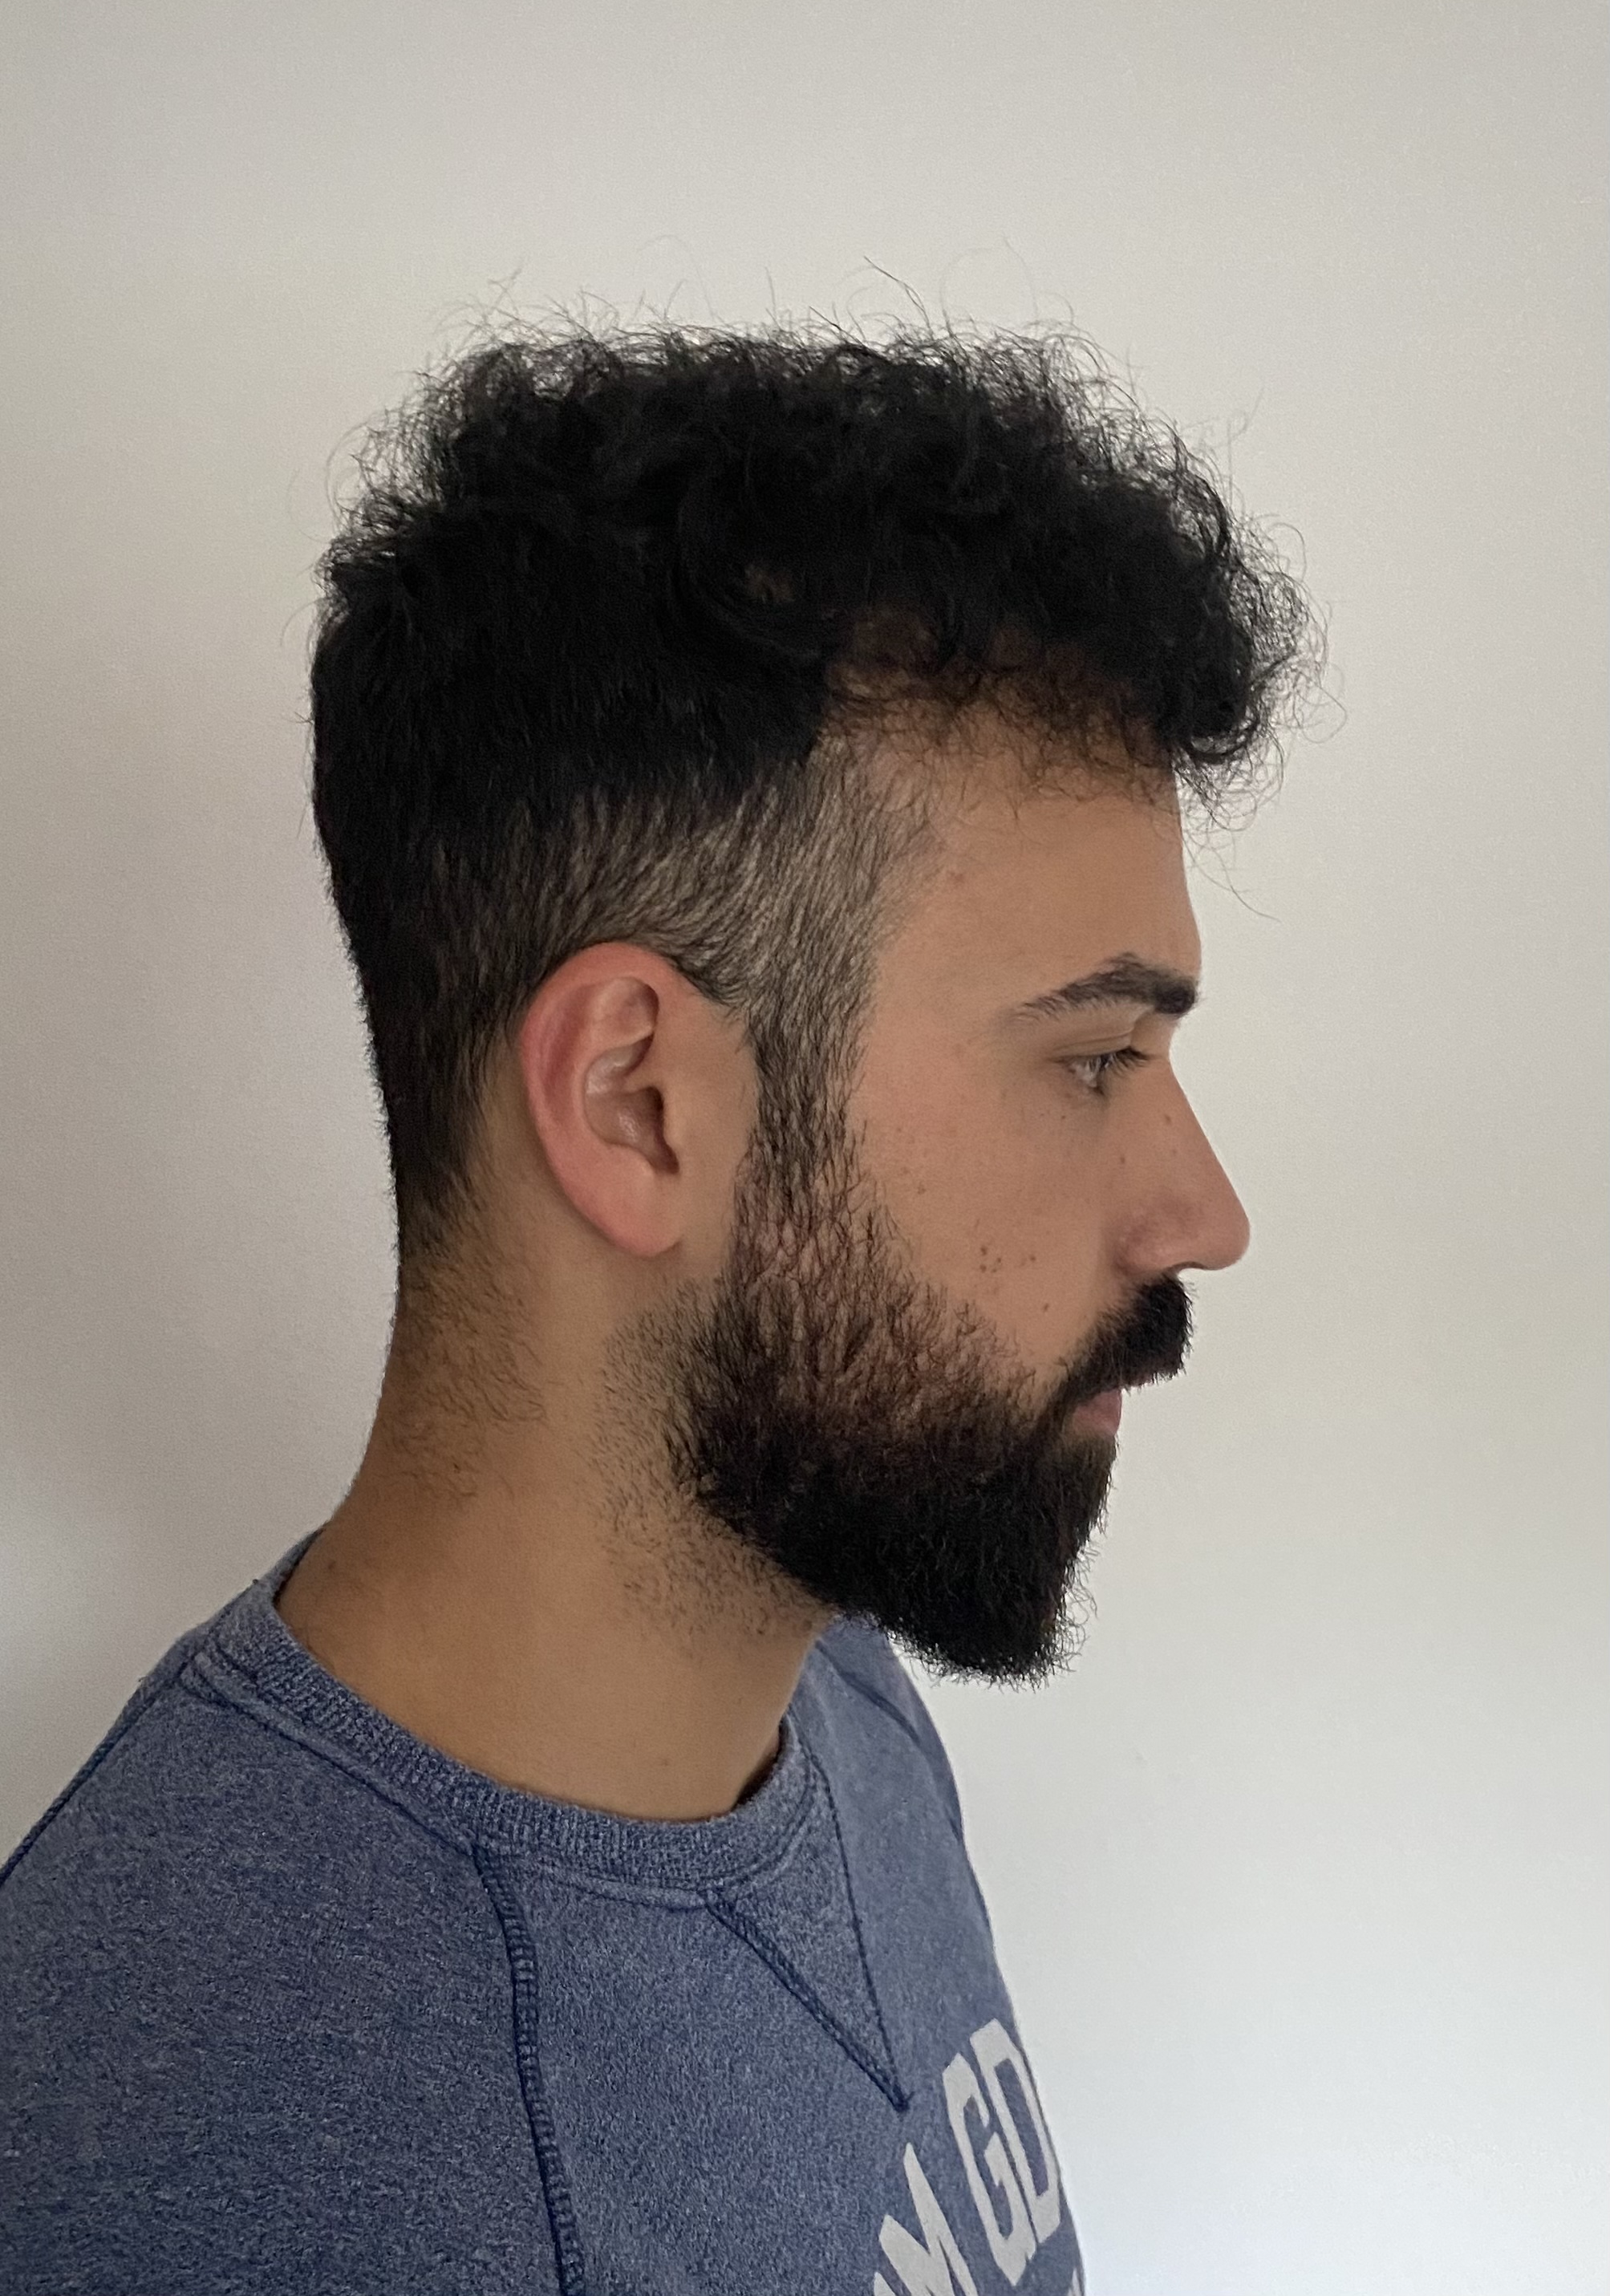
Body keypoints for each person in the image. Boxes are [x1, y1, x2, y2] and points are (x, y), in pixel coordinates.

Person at [1, 323, 1312, 2292]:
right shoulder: (225, 2177)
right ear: (635, 1103)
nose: (1200, 1213)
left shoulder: (823, 1677)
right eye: (1091, 1056)